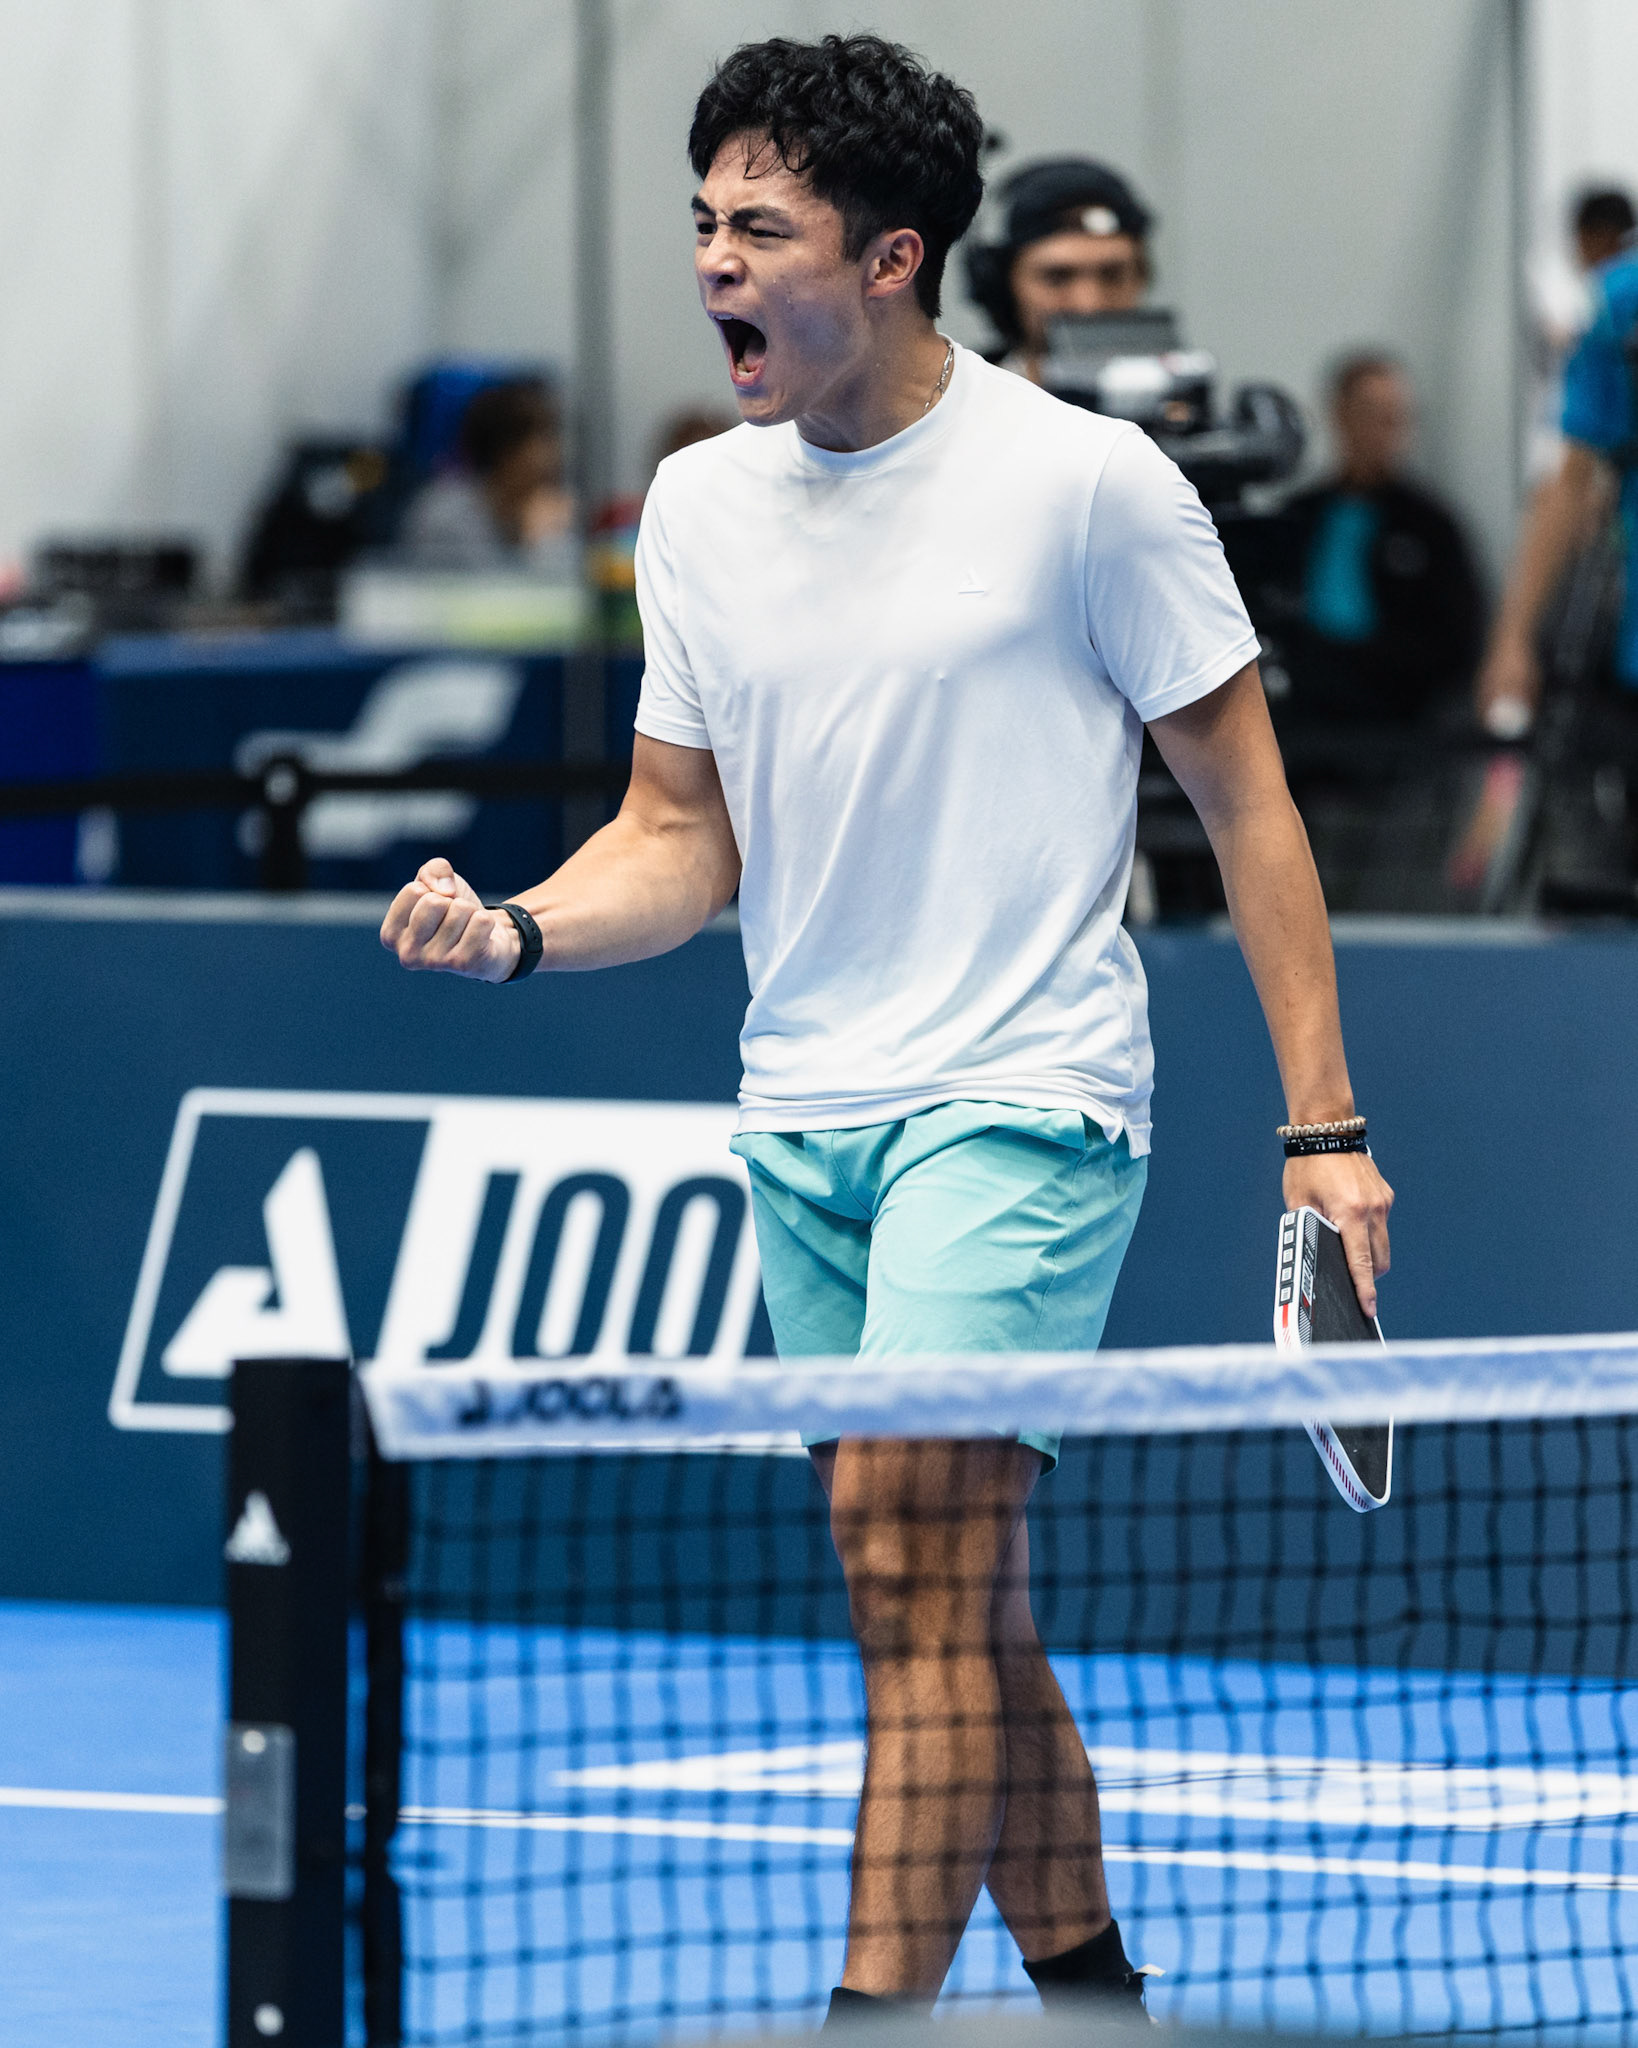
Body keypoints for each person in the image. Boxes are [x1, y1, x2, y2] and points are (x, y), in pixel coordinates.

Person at [380, 32, 1392, 2024]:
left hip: (1022, 1100)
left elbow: (1249, 805)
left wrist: (1321, 1128)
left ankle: (868, 2022)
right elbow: (680, 842)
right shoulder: (696, 508)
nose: (715, 266)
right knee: (939, 1595)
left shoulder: (1089, 489)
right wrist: (510, 929)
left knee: (894, 1532)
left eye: (763, 228)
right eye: (703, 223)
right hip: (804, 1117)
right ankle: (1093, 1991)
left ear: (899, 254)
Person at [1279, 352, 1484, 722]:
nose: (1387, 431)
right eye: (1373, 414)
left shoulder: (1432, 526)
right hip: (1304, 721)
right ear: (1340, 414)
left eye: (1398, 417)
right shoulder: (1296, 517)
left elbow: (1459, 639)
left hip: (1398, 726)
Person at [964, 156, 1154, 383]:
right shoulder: (958, 406)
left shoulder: (1184, 404)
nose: (1089, 307)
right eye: (1057, 277)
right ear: (1002, 288)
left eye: (1112, 276)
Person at [399, 377, 576, 573]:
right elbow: (478, 593)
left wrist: (545, 542)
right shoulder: (444, 514)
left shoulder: (552, 510)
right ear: (505, 452)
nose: (554, 455)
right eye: (542, 442)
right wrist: (532, 543)